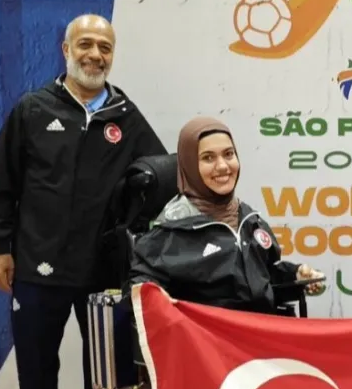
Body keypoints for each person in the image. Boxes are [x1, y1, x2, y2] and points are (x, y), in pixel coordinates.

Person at [0, 13, 167, 389]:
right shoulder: (33, 109)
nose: (95, 55)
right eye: (85, 44)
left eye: (105, 47)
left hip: (103, 267)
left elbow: (159, 178)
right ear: (66, 50)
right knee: (36, 360)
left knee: (105, 366)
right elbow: (1, 184)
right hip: (36, 262)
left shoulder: (125, 116)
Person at [128, 116, 326, 312]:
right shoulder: (169, 232)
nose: (223, 166)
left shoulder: (250, 219)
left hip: (258, 330)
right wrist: (154, 299)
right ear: (190, 165)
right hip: (205, 333)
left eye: (228, 154)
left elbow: (260, 280)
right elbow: (139, 295)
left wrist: (295, 276)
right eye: (208, 158)